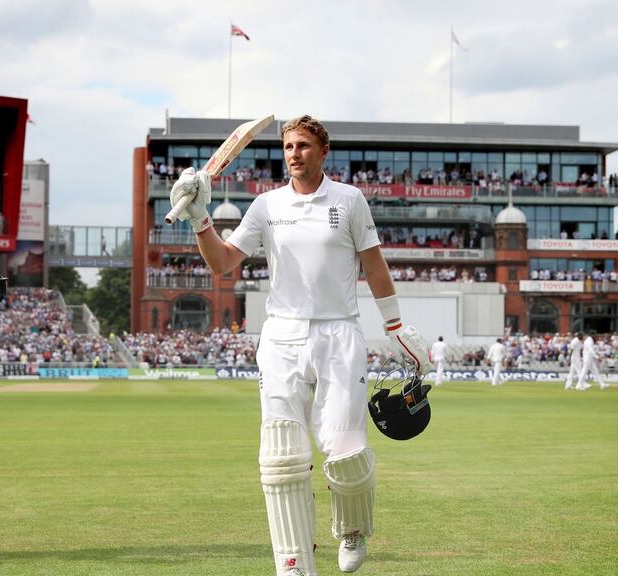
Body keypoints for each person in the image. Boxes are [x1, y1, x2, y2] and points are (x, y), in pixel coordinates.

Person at [169, 115, 428, 576]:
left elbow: (374, 266)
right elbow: (223, 265)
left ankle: (350, 530)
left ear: (323, 151)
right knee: (282, 454)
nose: (294, 153)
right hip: (282, 334)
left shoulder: (349, 200)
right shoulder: (267, 206)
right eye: (288, 146)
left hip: (339, 332)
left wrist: (395, 327)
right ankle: (292, 559)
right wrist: (199, 219)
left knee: (345, 448)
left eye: (304, 145)